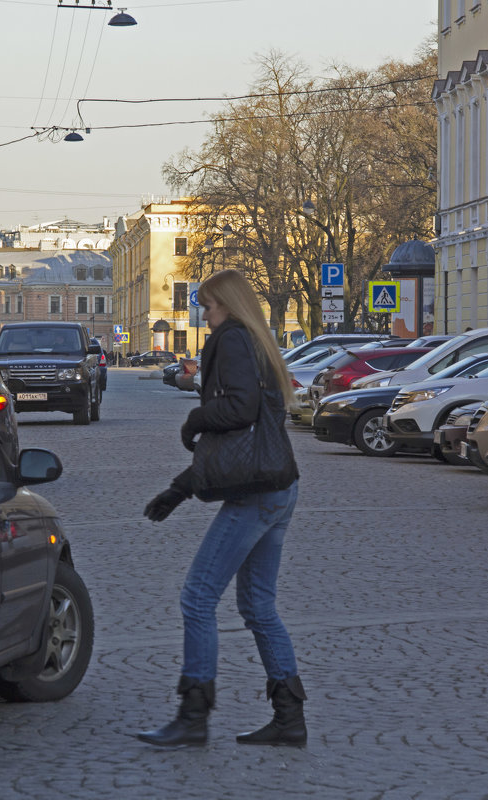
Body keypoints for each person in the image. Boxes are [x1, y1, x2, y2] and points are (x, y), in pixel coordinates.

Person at [139, 269, 304, 748]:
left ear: (227, 305)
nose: (204, 315)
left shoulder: (232, 338)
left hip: (256, 494)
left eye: (208, 306)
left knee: (197, 597)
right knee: (258, 606)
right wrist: (181, 487)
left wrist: (195, 417)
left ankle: (193, 716)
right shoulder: (256, 339)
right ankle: (289, 718)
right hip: (277, 485)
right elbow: (239, 447)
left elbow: (239, 412)